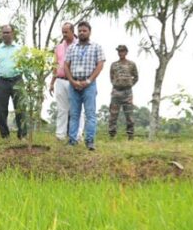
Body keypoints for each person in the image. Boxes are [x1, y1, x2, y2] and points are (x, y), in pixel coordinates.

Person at [65, 20, 105, 151]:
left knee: (90, 114)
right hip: (74, 84)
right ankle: (72, 140)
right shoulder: (72, 47)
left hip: (89, 84)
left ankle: (89, 141)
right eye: (80, 31)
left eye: (84, 30)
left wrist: (88, 81)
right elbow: (66, 65)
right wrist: (72, 81)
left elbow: (100, 65)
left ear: (89, 32)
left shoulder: (96, 47)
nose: (82, 33)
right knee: (74, 114)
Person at [0, 24, 26, 139]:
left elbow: (26, 65)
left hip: (17, 80)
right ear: (1, 34)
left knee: (20, 108)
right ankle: (4, 134)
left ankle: (22, 134)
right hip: (1, 81)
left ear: (13, 33)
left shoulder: (20, 49)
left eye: (8, 32)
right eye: (4, 32)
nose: (6, 35)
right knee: (1, 109)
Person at [50, 22, 82, 141]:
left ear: (72, 32)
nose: (64, 34)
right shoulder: (58, 47)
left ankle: (77, 135)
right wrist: (52, 82)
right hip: (60, 81)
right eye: (62, 32)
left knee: (76, 109)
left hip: (74, 81)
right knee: (61, 109)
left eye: (66, 32)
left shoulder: (80, 45)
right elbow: (55, 65)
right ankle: (60, 135)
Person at [108, 44, 139, 140]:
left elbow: (136, 77)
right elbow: (111, 77)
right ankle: (112, 135)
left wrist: (129, 84)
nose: (120, 53)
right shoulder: (114, 65)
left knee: (129, 115)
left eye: (122, 51)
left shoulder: (132, 64)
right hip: (116, 91)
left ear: (126, 52)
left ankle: (130, 135)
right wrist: (117, 83)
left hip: (127, 92)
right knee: (113, 115)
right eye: (119, 51)